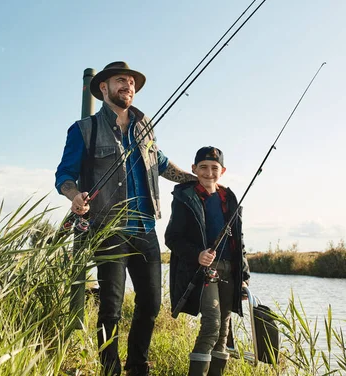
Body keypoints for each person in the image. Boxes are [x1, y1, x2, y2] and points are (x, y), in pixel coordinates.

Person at [55, 61, 196, 376]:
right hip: (108, 229)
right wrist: (74, 196)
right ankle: (110, 370)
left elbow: (159, 162)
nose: (128, 86)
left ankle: (137, 366)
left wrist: (194, 179)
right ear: (103, 87)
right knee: (111, 309)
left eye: (131, 82)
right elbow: (64, 174)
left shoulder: (145, 126)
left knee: (151, 305)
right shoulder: (84, 130)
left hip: (145, 227)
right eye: (121, 80)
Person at [165, 146, 250, 376]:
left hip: (229, 270)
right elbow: (171, 238)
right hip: (204, 271)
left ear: (222, 171)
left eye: (214, 168)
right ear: (194, 169)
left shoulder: (229, 198)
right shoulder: (185, 197)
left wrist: (244, 277)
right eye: (203, 167)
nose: (209, 172)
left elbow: (239, 242)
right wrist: (197, 255)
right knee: (211, 324)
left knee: (224, 328)